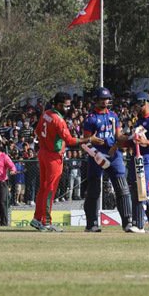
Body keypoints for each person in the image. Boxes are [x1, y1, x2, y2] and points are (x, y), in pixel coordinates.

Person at [32, 92, 102, 232]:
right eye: (66, 106)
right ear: (58, 105)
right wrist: (89, 140)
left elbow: (38, 131)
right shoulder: (59, 120)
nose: (69, 109)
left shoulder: (46, 114)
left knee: (44, 188)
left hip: (43, 153)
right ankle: (46, 221)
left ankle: (37, 219)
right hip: (53, 157)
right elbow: (70, 141)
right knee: (50, 189)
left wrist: (47, 142)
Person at [82, 87, 133, 232]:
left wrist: (130, 137)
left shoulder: (114, 116)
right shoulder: (90, 119)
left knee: (122, 188)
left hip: (113, 154)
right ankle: (91, 224)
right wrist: (94, 151)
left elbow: (118, 136)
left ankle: (127, 222)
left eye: (107, 99)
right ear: (96, 100)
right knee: (94, 190)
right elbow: (85, 142)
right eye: (103, 99)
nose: (105, 101)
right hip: (96, 155)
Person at [118, 92, 149, 232]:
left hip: (148, 158)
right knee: (141, 189)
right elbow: (133, 141)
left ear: (145, 103)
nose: (136, 108)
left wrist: (146, 141)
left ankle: (139, 224)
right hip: (135, 158)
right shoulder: (137, 121)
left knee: (141, 188)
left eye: (138, 104)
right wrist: (124, 141)